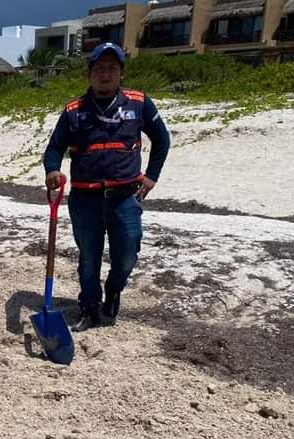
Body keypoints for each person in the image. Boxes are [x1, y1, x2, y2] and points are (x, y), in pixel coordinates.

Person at [44, 43, 170, 332]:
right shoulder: (73, 110)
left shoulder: (139, 103)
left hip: (125, 198)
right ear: (89, 75)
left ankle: (113, 292)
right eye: (99, 69)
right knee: (88, 259)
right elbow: (54, 148)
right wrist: (52, 169)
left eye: (112, 68)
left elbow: (162, 140)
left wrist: (152, 175)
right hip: (85, 199)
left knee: (126, 257)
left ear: (121, 74)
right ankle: (89, 306)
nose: (105, 74)